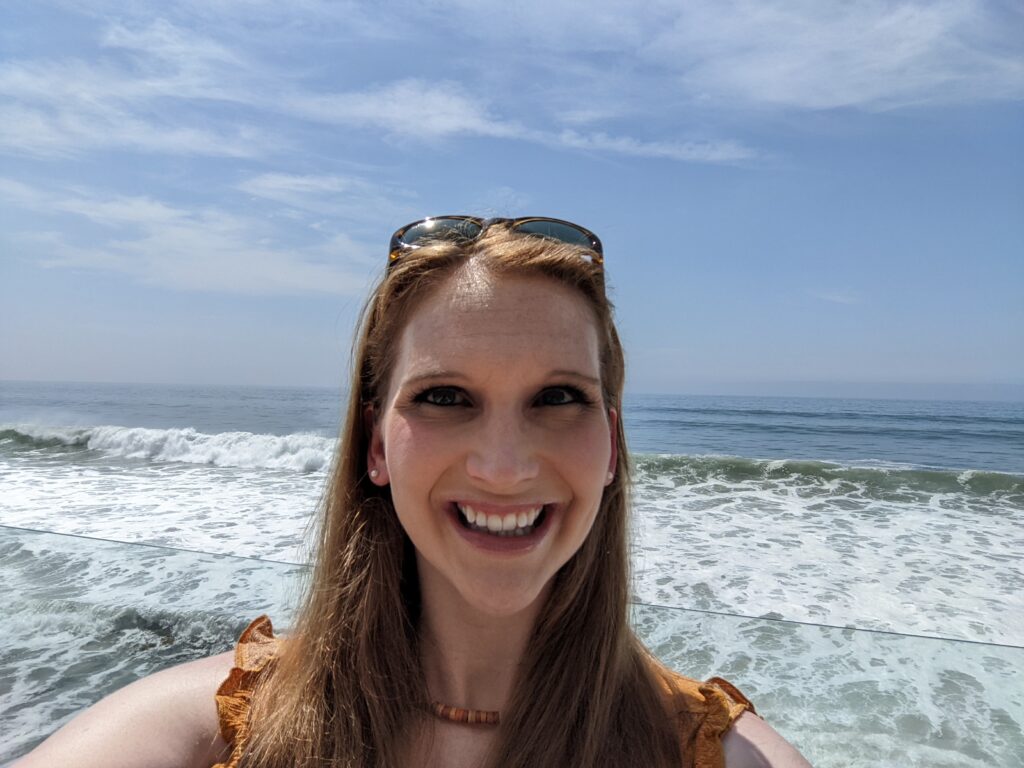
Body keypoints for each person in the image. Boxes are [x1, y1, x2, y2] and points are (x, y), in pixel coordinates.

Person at [14, 217, 812, 768]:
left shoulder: (715, 751)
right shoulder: (215, 725)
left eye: (558, 398)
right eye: (443, 398)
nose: (503, 466)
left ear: (611, 444)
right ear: (374, 446)